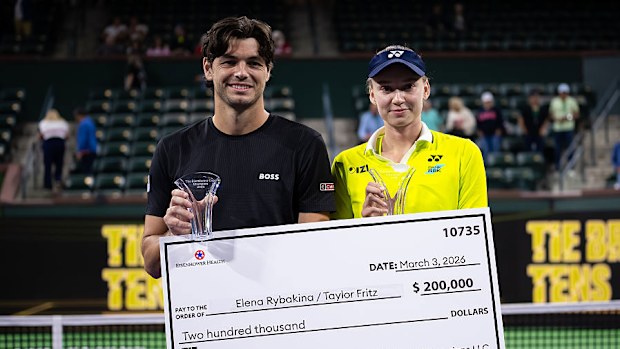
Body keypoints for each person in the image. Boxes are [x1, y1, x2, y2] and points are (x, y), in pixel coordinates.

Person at [141, 16, 335, 278]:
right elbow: (152, 264)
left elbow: (313, 252)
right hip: (203, 311)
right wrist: (172, 234)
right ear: (208, 69)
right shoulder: (172, 148)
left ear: (267, 70)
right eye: (229, 62)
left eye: (254, 63)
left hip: (280, 309)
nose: (241, 72)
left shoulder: (304, 145)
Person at [331, 45, 487, 219]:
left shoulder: (463, 153)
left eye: (408, 86)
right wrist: (364, 227)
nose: (398, 99)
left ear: (426, 89)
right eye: (386, 88)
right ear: (372, 95)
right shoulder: (345, 164)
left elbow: (472, 239)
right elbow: (338, 243)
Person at [548, 83, 580, 170]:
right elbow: (551, 115)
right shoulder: (554, 101)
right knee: (557, 148)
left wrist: (567, 118)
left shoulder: (572, 101)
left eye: (565, 92)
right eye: (562, 92)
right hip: (557, 129)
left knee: (570, 147)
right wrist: (557, 119)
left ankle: (571, 166)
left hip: (568, 128)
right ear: (559, 92)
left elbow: (576, 114)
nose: (564, 94)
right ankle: (557, 166)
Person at [38, 108, 69, 190]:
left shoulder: (43, 123)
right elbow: (66, 136)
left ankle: (48, 184)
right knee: (59, 163)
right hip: (59, 143)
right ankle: (57, 179)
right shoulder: (63, 122)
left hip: (49, 144)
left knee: (47, 164)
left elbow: (41, 135)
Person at [73, 107, 98, 174]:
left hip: (86, 151)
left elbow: (83, 139)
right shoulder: (90, 122)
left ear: (79, 115)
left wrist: (80, 151)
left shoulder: (83, 124)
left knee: (86, 171)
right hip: (92, 149)